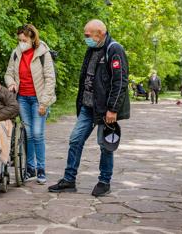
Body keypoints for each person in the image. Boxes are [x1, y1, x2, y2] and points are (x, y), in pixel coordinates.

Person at [48, 19, 130, 197]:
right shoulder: (92, 49)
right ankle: (69, 180)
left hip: (104, 108)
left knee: (105, 145)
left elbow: (120, 81)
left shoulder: (114, 49)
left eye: (88, 35)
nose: (85, 38)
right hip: (87, 107)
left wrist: (113, 109)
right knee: (75, 140)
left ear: (99, 33)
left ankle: (104, 181)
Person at [4, 24, 56, 184]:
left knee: (38, 134)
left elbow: (50, 79)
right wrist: (11, 83)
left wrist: (44, 103)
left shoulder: (43, 53)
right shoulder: (16, 53)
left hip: (38, 99)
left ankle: (41, 169)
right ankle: (30, 168)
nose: (21, 43)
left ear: (33, 38)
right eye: (19, 40)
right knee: (28, 134)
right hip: (22, 99)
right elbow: (8, 73)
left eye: (24, 40)